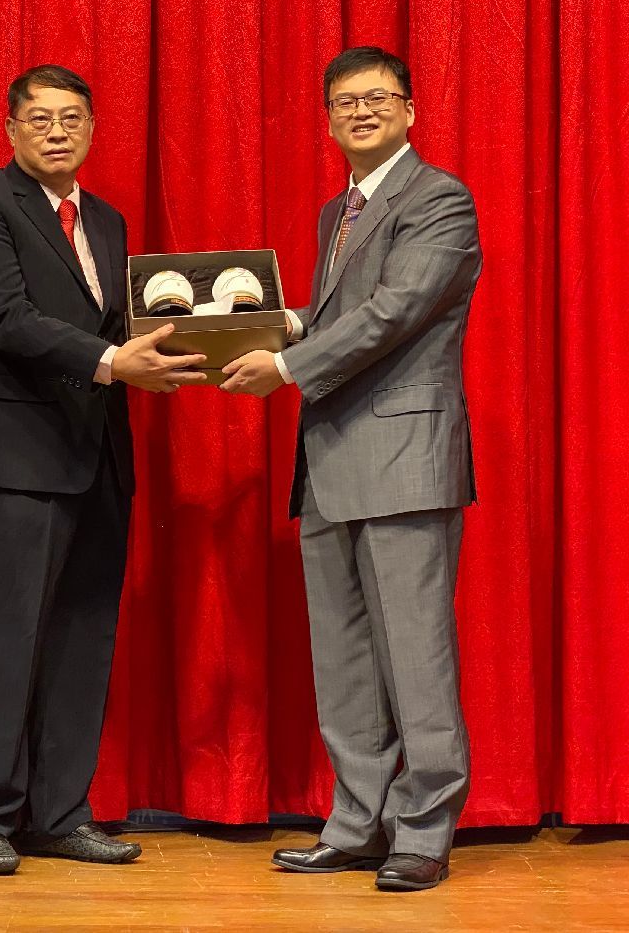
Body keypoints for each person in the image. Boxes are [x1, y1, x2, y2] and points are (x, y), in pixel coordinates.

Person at [222, 46, 482, 892]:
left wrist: (286, 364)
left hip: (403, 459)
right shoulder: (340, 210)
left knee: (415, 655)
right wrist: (283, 323)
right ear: (328, 119)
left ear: (410, 110)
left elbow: (397, 309)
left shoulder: (438, 197)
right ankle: (356, 823)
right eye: (344, 102)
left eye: (377, 97)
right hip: (331, 459)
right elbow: (345, 313)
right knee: (344, 661)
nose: (361, 111)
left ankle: (424, 830)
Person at [0, 64, 205, 875]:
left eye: (72, 118)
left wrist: (213, 338)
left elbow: (121, 325)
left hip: (99, 462)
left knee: (83, 641)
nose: (57, 131)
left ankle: (58, 812)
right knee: (1, 641)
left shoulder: (108, 220)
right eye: (41, 118)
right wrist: (115, 362)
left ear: (92, 128)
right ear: (10, 129)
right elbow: (0, 315)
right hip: (12, 462)